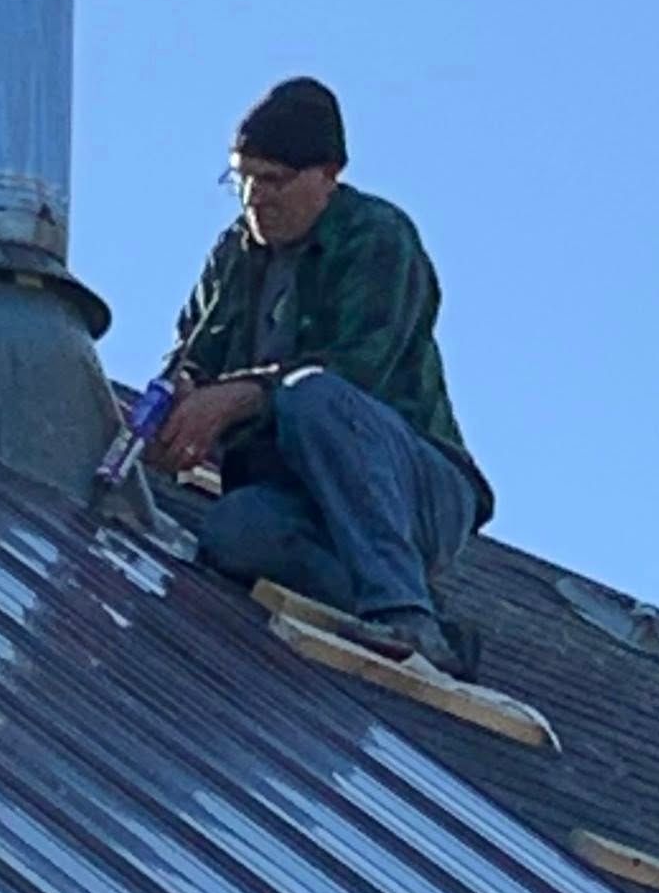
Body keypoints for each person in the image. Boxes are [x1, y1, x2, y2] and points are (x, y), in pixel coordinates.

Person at [149, 78, 493, 676]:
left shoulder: (378, 237)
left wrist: (240, 396)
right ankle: (404, 608)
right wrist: (178, 400)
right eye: (243, 178)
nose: (255, 197)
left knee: (311, 396)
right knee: (234, 532)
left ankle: (407, 616)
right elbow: (193, 351)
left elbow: (358, 368)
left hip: (414, 486)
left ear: (327, 174)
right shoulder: (233, 254)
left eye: (274, 179)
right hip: (304, 493)